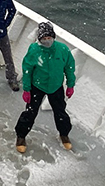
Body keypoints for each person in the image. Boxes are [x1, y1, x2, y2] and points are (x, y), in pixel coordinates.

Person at [15, 22, 75, 153]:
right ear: (39, 39)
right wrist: (26, 89)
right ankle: (21, 136)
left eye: (49, 38)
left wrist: (70, 85)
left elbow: (69, 68)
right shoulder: (34, 50)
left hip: (56, 86)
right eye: (44, 39)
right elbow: (27, 69)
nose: (47, 41)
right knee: (30, 112)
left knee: (60, 112)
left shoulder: (63, 49)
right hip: (37, 86)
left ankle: (64, 134)